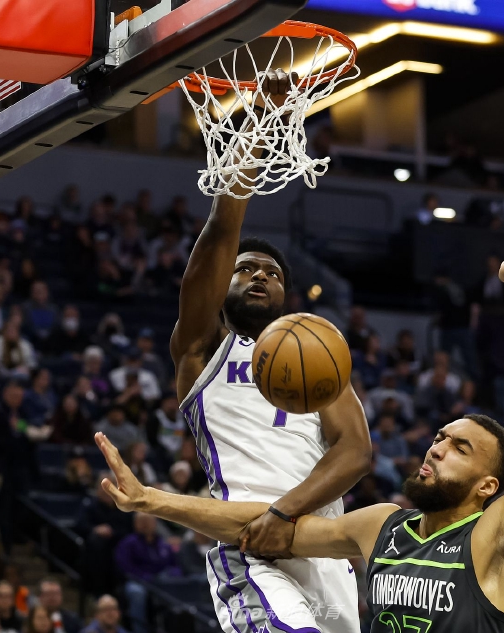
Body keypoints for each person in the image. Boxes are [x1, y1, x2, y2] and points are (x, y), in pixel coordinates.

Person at [97, 223, 504, 633]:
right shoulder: (382, 528)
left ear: (488, 485)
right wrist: (151, 500)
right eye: (439, 437)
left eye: (460, 448)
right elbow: (264, 528)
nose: (437, 449)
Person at [161, 70, 373, 633]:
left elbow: (355, 452)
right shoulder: (203, 347)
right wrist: (262, 121)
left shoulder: (318, 359)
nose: (260, 276)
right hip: (250, 542)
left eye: (273, 273)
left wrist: (289, 511)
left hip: (320, 547)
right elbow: (223, 224)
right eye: (246, 269)